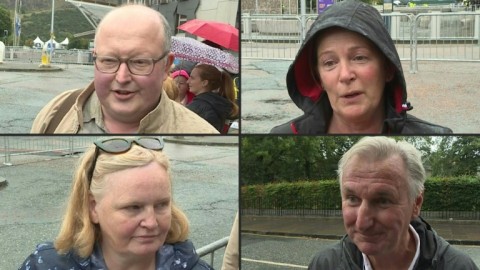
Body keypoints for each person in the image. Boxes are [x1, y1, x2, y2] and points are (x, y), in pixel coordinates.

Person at [19, 137, 213, 270]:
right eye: (133, 207)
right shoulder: (46, 265)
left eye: (161, 205)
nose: (151, 222)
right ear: (93, 207)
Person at [271, 0, 452, 134]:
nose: (345, 75)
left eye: (359, 58)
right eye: (330, 63)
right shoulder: (287, 134)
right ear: (319, 79)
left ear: (387, 68)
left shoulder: (434, 135)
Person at [31, 4, 218, 134]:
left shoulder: (202, 134)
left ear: (166, 66)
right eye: (109, 60)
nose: (121, 77)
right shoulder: (57, 111)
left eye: (139, 62)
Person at [308, 136, 478, 270]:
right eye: (353, 199)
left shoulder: (459, 267)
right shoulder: (323, 264)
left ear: (416, 203)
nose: (362, 223)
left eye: (382, 201)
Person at [187, 64, 239, 134]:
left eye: (192, 78)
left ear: (204, 83)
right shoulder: (219, 103)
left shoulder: (197, 107)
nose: (188, 81)